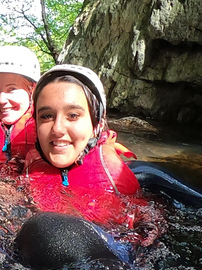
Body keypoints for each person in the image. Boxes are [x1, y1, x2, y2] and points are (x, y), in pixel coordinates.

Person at [23, 64, 149, 230]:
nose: (58, 129)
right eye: (46, 116)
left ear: (96, 124)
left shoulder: (115, 179)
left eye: (73, 115)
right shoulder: (31, 163)